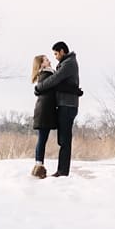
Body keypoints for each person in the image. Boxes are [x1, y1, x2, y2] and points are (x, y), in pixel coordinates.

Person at [34, 41, 81, 177]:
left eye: (55, 53)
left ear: (62, 51)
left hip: (67, 105)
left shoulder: (68, 63)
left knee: (64, 140)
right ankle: (62, 170)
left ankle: (62, 172)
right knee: (62, 140)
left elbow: (55, 79)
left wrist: (39, 88)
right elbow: (59, 84)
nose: (54, 57)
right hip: (65, 104)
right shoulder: (66, 63)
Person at [30, 54, 57, 179]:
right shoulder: (46, 74)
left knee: (42, 139)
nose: (49, 60)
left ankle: (38, 165)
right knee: (42, 139)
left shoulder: (45, 74)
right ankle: (38, 166)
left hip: (44, 110)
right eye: (46, 60)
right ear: (42, 64)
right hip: (44, 111)